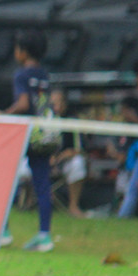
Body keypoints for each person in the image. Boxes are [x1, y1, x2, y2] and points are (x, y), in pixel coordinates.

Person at [0, 30, 55, 252]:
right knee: (42, 184)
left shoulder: (21, 75)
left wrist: (4, 114)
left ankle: (3, 231)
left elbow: (22, 104)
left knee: (5, 180)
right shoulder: (43, 75)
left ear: (22, 52)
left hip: (24, 134)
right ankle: (44, 235)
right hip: (43, 133)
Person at [49, 89, 87, 218]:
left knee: (78, 164)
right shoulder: (45, 118)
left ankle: (73, 206)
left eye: (57, 103)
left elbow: (79, 149)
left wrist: (60, 157)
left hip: (63, 162)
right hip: (42, 161)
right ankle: (27, 202)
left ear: (64, 103)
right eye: (52, 103)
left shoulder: (72, 119)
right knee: (23, 166)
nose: (55, 107)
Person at [110, 95, 138, 218]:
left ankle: (122, 217)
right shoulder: (125, 127)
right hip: (126, 169)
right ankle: (121, 215)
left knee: (131, 191)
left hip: (130, 169)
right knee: (129, 191)